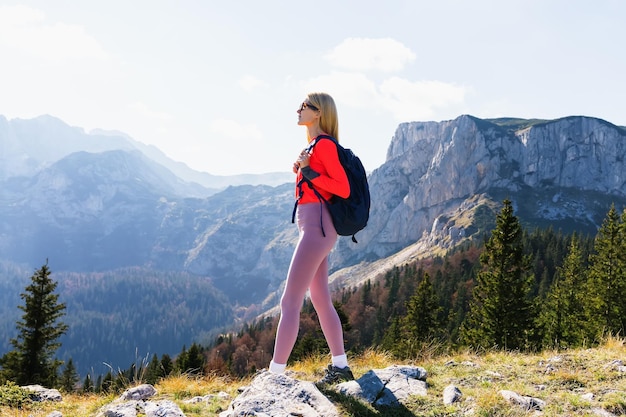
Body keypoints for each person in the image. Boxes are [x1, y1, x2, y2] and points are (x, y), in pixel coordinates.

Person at [268, 92, 355, 386]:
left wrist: (308, 170)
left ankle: (275, 375)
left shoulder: (326, 145)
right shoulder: (314, 146)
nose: (298, 109)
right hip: (318, 227)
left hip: (316, 228)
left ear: (317, 113)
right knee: (319, 298)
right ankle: (340, 366)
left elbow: (342, 189)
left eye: (303, 106)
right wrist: (304, 168)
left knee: (289, 301)